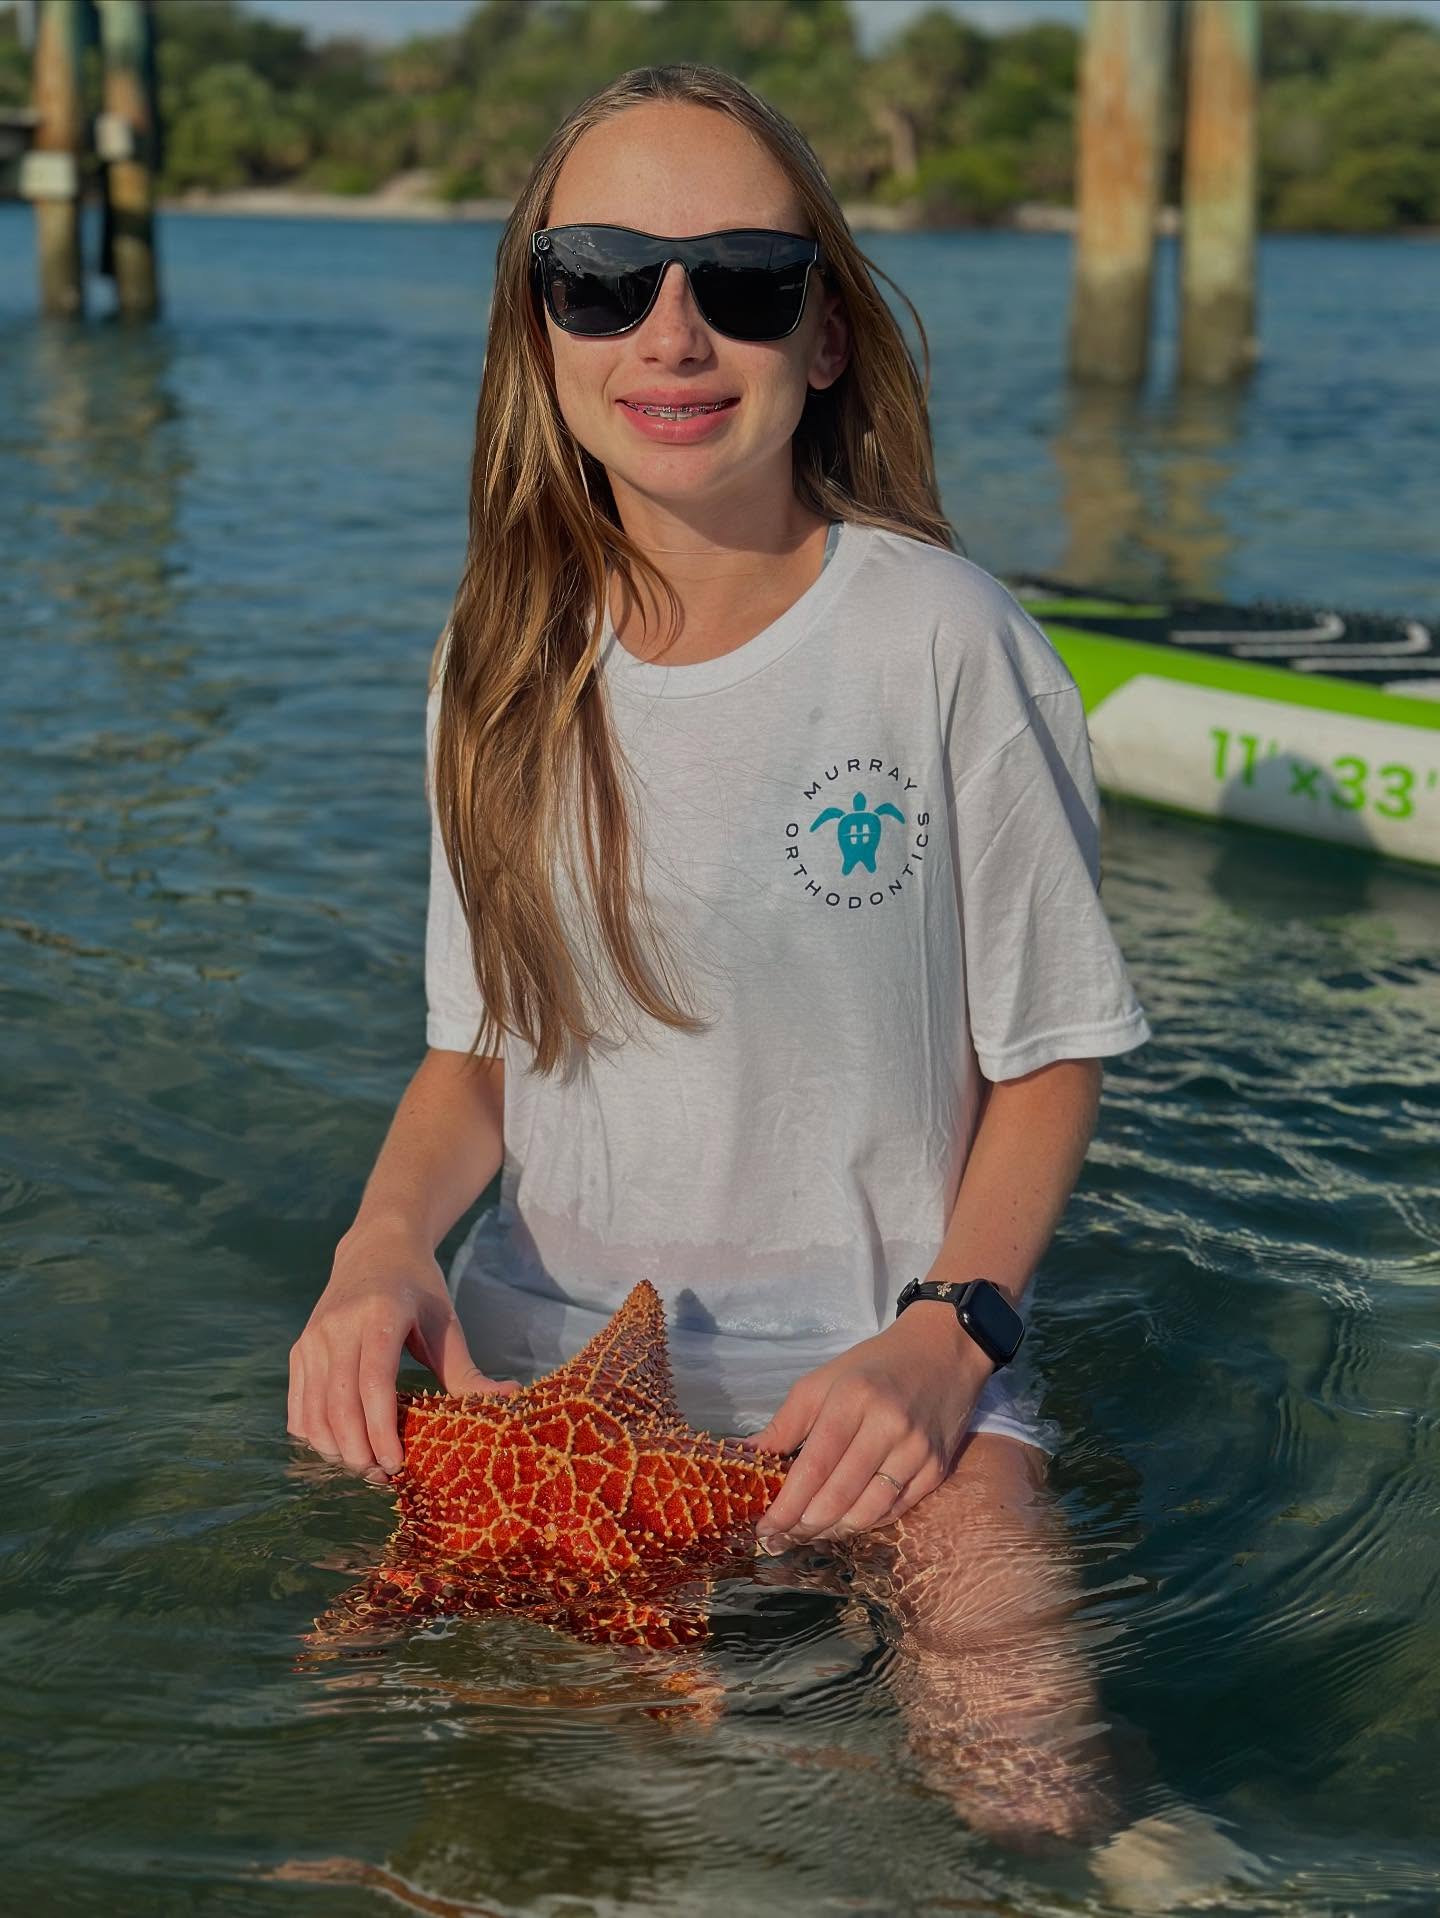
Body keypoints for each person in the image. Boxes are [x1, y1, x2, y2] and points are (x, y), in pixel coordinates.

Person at [289, 63, 1153, 1849]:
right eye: (603, 276)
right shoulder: (498, 656)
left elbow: (1052, 1051)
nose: (670, 332)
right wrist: (381, 1246)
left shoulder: (944, 638)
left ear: (823, 335)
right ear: (541, 330)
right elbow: (475, 1055)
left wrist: (955, 1331)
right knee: (470, 1832)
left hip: (884, 1377)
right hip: (533, 1390)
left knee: (1033, 1794)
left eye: (741, 279)